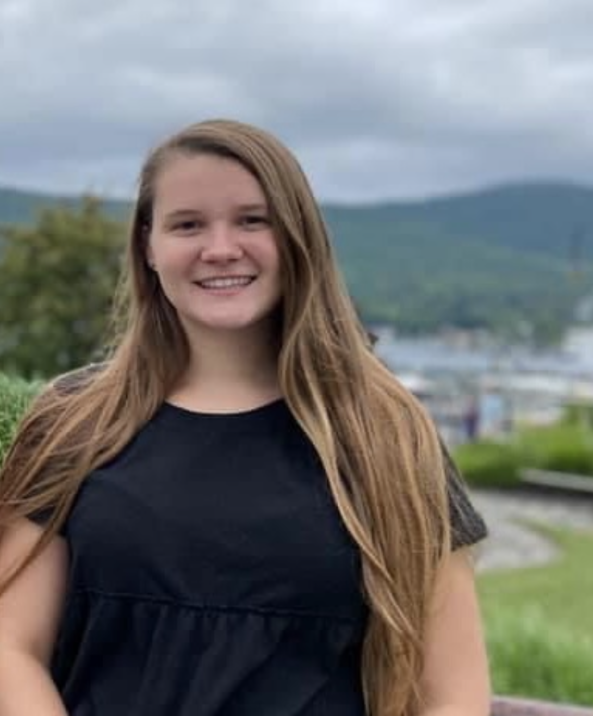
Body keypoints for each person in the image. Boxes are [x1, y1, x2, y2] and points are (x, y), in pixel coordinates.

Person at [0, 119, 490, 716]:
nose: (221, 248)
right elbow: (10, 646)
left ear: (297, 239)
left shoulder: (386, 432)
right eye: (188, 224)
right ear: (148, 247)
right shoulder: (75, 421)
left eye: (253, 220)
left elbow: (453, 693)